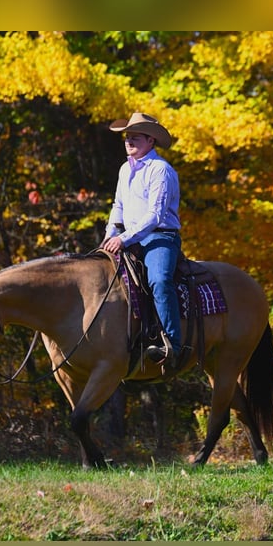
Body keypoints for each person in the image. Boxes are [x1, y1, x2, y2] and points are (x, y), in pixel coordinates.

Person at [101, 112, 182, 370]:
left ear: (151, 140)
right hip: (129, 237)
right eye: (127, 136)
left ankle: (173, 344)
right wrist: (109, 235)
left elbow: (155, 215)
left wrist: (123, 238)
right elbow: (118, 206)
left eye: (136, 136)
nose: (129, 140)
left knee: (158, 280)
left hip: (160, 237)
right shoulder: (125, 169)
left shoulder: (161, 170)